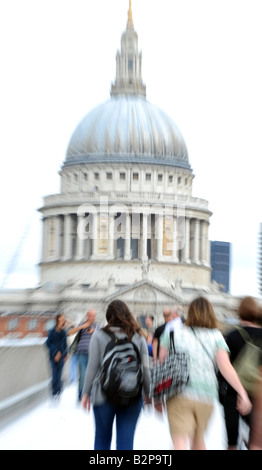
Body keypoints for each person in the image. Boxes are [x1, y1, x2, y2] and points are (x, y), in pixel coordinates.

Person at [159, 297, 252, 450]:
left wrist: (155, 396)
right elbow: (225, 366)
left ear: (190, 313)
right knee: (198, 441)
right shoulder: (216, 336)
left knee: (180, 441)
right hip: (206, 395)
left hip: (178, 393)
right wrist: (242, 392)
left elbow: (161, 363)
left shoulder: (172, 333)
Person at [81, 299, 150, 450]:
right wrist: (148, 394)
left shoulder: (98, 335)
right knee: (126, 443)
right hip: (132, 395)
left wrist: (85, 393)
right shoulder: (138, 336)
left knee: (102, 439)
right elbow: (145, 369)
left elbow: (92, 367)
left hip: (103, 394)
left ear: (108, 316)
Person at [222, 296, 262, 449]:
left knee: (232, 440)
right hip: (258, 393)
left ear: (239, 312)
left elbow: (223, 366)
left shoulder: (232, 335)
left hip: (234, 392)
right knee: (257, 440)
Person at [69, 309, 97, 402]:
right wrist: (82, 327)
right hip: (81, 353)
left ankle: (89, 396)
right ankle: (81, 396)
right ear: (87, 316)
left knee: (92, 377)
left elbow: (103, 336)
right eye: (90, 316)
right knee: (82, 376)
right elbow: (70, 332)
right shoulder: (82, 324)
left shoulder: (97, 326)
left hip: (93, 355)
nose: (92, 318)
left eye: (93, 316)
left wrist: (94, 332)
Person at [46, 314, 69, 399]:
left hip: (62, 356)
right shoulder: (52, 331)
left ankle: (58, 393)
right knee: (54, 375)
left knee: (59, 375)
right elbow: (48, 343)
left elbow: (65, 344)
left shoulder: (63, 332)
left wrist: (66, 353)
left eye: (63, 319)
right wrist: (56, 353)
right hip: (53, 356)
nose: (62, 320)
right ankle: (53, 393)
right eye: (61, 319)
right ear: (57, 320)